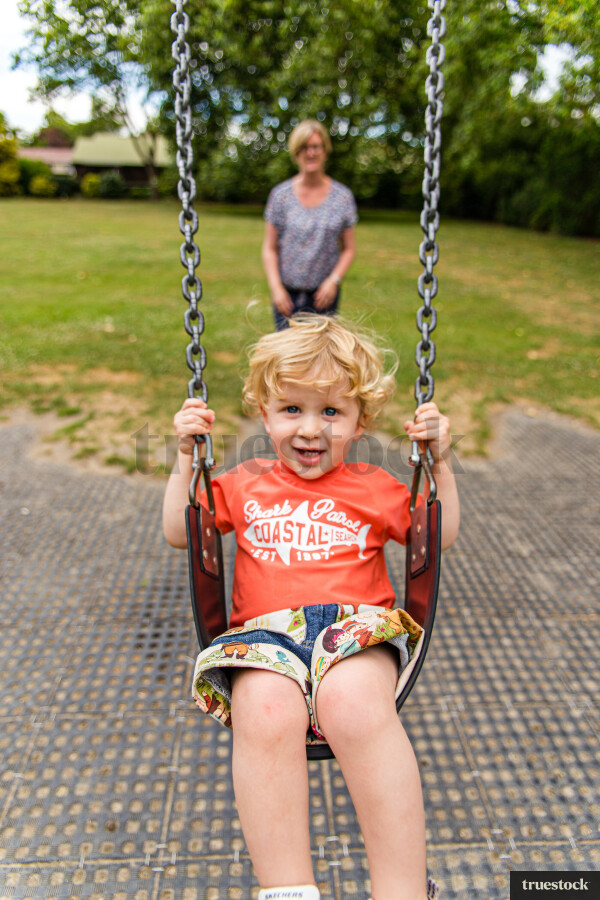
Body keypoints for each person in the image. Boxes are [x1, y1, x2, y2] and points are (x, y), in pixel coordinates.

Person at [163, 314, 460, 900]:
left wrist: (440, 462)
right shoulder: (242, 480)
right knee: (264, 715)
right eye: (292, 409)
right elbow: (181, 530)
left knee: (353, 705)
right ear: (263, 412)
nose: (311, 429)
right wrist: (183, 457)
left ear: (359, 421)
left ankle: (402, 889)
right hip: (265, 640)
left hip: (355, 629)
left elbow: (437, 535)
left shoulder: (374, 486)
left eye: (331, 412)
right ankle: (287, 890)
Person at [262, 120, 358, 330]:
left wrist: (333, 281)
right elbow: (270, 248)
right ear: (296, 153)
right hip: (287, 294)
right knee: (288, 359)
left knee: (321, 359)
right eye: (304, 148)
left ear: (325, 150)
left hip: (323, 294)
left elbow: (349, 249)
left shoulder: (342, 197)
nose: (310, 153)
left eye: (316, 147)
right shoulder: (281, 196)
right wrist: (276, 288)